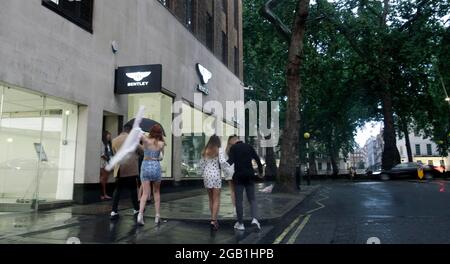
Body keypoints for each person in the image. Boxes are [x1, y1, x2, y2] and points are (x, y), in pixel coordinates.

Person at [227, 136, 263, 231]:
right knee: (252, 199)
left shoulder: (233, 148)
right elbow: (257, 159)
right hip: (249, 175)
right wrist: (260, 171)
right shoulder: (248, 146)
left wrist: (220, 166)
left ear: (234, 141)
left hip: (238, 176)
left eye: (231, 142)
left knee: (239, 200)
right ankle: (255, 219)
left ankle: (240, 223)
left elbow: (230, 162)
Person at [110, 124, 142, 221]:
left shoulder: (114, 140)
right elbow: (141, 150)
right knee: (133, 189)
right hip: (131, 168)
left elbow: (114, 153)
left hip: (120, 168)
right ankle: (136, 209)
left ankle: (114, 211)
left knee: (118, 189)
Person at [137, 124, 165, 226]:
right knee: (156, 192)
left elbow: (140, 145)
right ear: (160, 133)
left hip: (145, 166)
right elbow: (161, 157)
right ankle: (157, 216)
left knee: (145, 193)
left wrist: (141, 134)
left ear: (151, 131)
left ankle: (140, 214)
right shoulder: (161, 143)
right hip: (156, 166)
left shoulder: (146, 141)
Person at [198, 135, 227, 231]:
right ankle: (214, 220)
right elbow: (222, 162)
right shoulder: (219, 150)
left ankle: (213, 219)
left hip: (206, 175)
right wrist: (227, 170)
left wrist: (202, 173)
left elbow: (201, 165)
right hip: (215, 175)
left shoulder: (205, 150)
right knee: (216, 199)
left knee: (210, 199)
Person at [224, 135, 237, 213]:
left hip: (229, 171)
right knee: (238, 189)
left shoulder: (226, 149)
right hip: (236, 170)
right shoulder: (237, 148)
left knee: (232, 190)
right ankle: (238, 206)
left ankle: (234, 208)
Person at [100, 131, 113, 200]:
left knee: (105, 179)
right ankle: (103, 194)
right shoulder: (102, 143)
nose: (110, 137)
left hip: (108, 163)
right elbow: (102, 154)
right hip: (103, 163)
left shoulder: (108, 144)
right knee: (103, 178)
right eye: (109, 135)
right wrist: (108, 159)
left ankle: (104, 194)